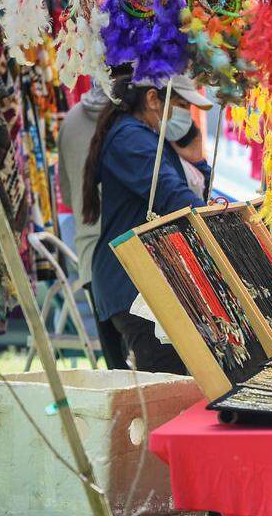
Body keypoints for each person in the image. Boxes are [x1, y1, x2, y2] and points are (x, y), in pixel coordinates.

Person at [82, 73, 213, 373]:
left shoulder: (148, 136)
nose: (186, 116)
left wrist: (196, 159)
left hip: (142, 278)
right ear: (153, 99)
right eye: (180, 105)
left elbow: (186, 191)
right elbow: (174, 197)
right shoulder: (131, 138)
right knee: (165, 382)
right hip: (131, 282)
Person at [57, 82, 128, 369]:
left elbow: (65, 189)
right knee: (152, 368)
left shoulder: (71, 119)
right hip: (129, 257)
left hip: (89, 252)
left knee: (116, 366)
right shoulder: (129, 122)